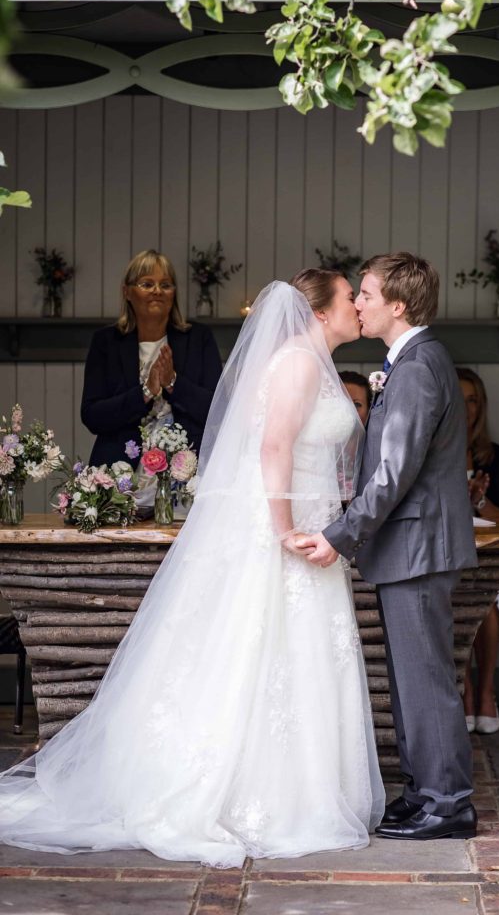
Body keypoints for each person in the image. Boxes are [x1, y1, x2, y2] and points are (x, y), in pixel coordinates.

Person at [0, 271, 384, 866]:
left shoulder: (313, 361)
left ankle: (295, 788)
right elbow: (274, 447)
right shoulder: (299, 364)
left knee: (293, 659)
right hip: (287, 530)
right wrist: (283, 527)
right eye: (349, 298)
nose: (359, 308)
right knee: (261, 653)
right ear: (319, 310)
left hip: (313, 526)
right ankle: (250, 796)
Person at [299, 253, 478, 842]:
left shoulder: (419, 365)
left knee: (425, 678)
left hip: (419, 545)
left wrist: (340, 535)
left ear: (398, 305)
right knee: (410, 677)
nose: (358, 304)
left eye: (368, 295)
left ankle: (449, 805)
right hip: (410, 546)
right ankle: (423, 791)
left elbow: (395, 471)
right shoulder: (407, 362)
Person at [81, 250, 222, 471]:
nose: (157, 291)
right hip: (119, 471)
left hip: (186, 470)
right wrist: (145, 392)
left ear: (174, 293)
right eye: (147, 284)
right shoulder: (107, 342)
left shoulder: (198, 338)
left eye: (165, 285)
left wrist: (173, 383)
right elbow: (92, 416)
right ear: (127, 292)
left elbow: (217, 410)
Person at [457, 368, 499, 735]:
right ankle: (464, 692)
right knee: (458, 600)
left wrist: (479, 500)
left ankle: (486, 691)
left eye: (472, 400)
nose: (466, 408)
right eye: (459, 399)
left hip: (492, 561)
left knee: (487, 606)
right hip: (449, 558)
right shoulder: (435, 451)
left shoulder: (495, 457)